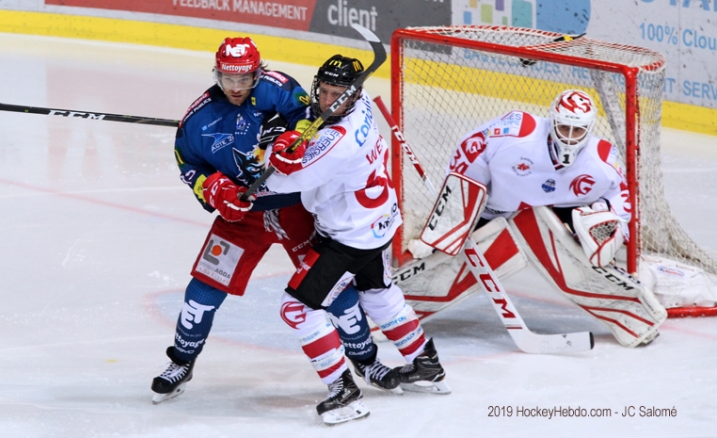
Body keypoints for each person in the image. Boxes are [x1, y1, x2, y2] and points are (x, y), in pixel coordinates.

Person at [151, 38, 397, 405]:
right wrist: (214, 188)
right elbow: (189, 165)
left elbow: (315, 118)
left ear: (258, 71)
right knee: (203, 290)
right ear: (217, 74)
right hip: (243, 217)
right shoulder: (198, 118)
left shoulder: (279, 90)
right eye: (228, 79)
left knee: (330, 291)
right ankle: (182, 362)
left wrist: (294, 138)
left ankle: (366, 360)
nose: (236, 88)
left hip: (295, 209)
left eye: (245, 78)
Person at [264, 54, 451, 424]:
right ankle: (425, 364)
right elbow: (317, 130)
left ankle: (343, 391)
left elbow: (282, 183)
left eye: (338, 95)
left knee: (296, 308)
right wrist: (299, 131)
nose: (329, 101)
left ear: (353, 94)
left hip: (347, 237)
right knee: (378, 292)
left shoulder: (338, 139)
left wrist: (272, 148)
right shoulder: (360, 105)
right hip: (379, 224)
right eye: (325, 92)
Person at [427, 89, 672, 347]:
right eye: (563, 127)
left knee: (578, 245)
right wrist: (455, 212)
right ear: (552, 120)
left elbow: (623, 206)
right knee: (446, 260)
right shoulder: (516, 132)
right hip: (492, 211)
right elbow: (470, 150)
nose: (568, 136)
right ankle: (400, 306)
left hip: (553, 214)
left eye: (577, 130)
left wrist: (612, 234)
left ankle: (631, 315)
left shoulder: (602, 162)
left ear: (589, 129)